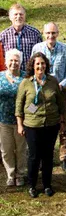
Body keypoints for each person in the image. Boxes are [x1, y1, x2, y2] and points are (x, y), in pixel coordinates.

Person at [16, 52, 64, 198]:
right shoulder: (26, 82)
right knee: (34, 156)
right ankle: (32, 185)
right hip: (32, 125)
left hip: (51, 124)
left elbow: (60, 104)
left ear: (46, 65)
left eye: (43, 63)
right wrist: (20, 124)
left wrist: (62, 123)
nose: (40, 66)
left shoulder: (52, 81)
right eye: (37, 64)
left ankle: (47, 185)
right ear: (33, 66)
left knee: (48, 155)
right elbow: (19, 105)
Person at [31, 22, 66, 173]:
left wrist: (62, 84)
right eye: (48, 33)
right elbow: (32, 68)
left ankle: (64, 157)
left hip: (59, 92)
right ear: (44, 34)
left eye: (53, 33)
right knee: (37, 119)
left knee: (62, 123)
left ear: (58, 33)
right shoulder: (37, 48)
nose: (51, 36)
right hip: (40, 91)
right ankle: (41, 157)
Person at [0, 49, 26, 186]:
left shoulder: (26, 78)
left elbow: (33, 98)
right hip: (3, 120)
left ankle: (20, 174)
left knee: (21, 149)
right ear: (6, 62)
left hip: (21, 121)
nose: (13, 63)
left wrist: (29, 114)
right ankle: (10, 174)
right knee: (6, 149)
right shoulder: (0, 77)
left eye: (16, 60)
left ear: (20, 62)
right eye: (11, 60)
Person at [0, 4, 42, 71]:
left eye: (21, 14)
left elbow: (40, 55)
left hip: (29, 75)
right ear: (10, 17)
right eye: (15, 14)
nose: (18, 16)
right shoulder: (3, 36)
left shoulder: (35, 33)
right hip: (10, 76)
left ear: (25, 16)